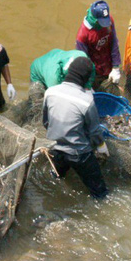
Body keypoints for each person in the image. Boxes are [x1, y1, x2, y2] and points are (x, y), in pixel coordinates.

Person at [42, 56, 109, 198]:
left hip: (55, 149)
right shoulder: (87, 101)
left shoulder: (50, 92)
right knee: (100, 191)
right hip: (79, 155)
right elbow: (94, 131)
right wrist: (102, 146)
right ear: (86, 77)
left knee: (56, 177)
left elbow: (46, 122)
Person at [75, 0, 121, 89]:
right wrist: (88, 82)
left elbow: (114, 42)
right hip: (95, 70)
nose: (105, 26)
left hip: (108, 65)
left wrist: (116, 66)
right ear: (94, 19)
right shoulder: (83, 35)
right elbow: (84, 60)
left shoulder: (109, 21)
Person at [30, 48, 94, 89]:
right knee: (39, 102)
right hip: (38, 70)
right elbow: (55, 97)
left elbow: (92, 72)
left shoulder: (82, 57)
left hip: (55, 56)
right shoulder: (54, 80)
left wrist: (87, 86)